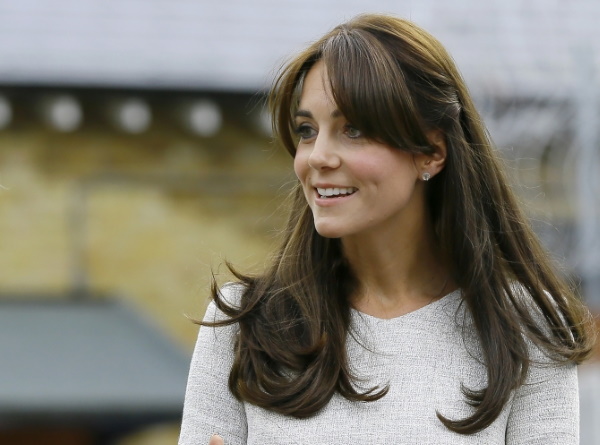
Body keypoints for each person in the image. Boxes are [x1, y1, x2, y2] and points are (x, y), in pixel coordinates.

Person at [179, 13, 595, 445]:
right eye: (307, 130)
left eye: (353, 130)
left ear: (432, 152)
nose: (317, 156)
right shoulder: (243, 322)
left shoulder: (527, 330)